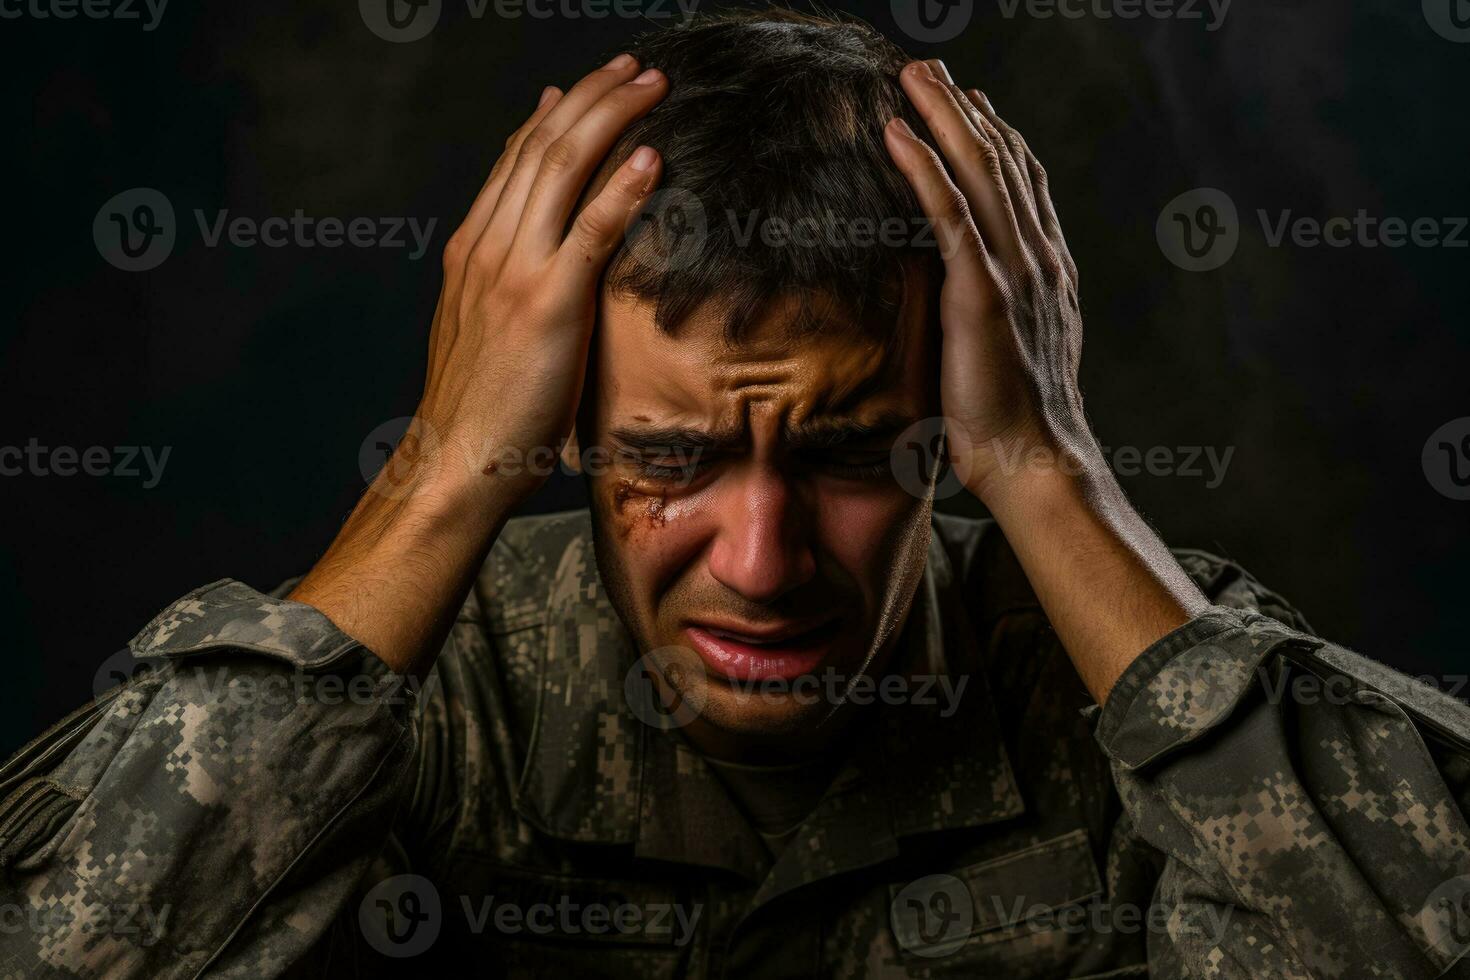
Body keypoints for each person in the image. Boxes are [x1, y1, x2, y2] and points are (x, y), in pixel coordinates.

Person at [3, 9, 1467, 978]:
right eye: (666, 458)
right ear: (560, 422)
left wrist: (1050, 466)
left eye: (847, 454)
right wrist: (442, 474)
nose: (760, 564)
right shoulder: (429, 693)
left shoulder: (1133, 681)